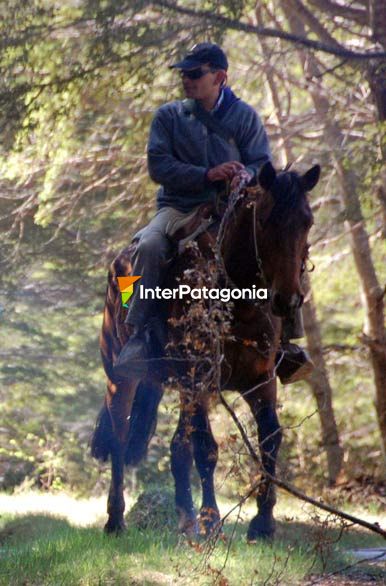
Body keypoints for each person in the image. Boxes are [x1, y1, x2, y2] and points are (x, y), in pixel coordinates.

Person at [113, 42, 313, 383]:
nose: (186, 80)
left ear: (219, 77)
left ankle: (287, 343)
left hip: (234, 209)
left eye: (194, 74)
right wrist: (206, 175)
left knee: (286, 245)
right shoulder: (169, 117)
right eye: (184, 74)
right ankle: (139, 335)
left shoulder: (245, 116)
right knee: (147, 247)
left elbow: (261, 162)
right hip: (179, 207)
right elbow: (158, 166)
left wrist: (244, 175)